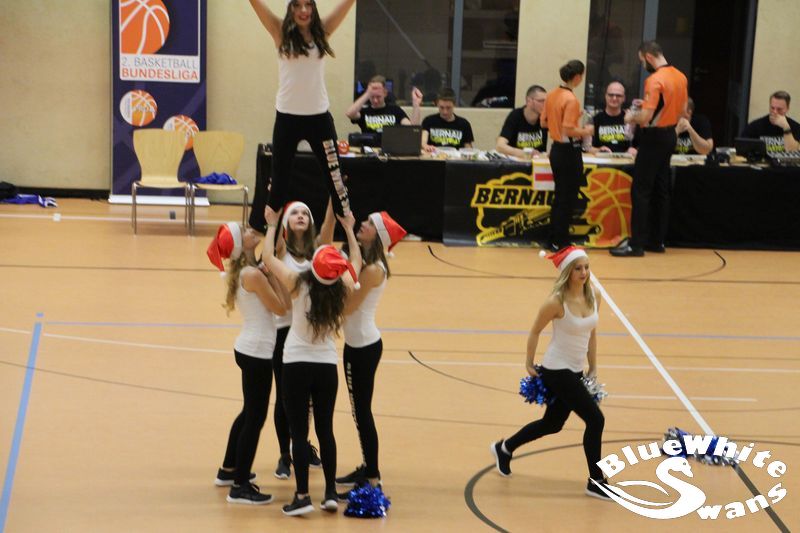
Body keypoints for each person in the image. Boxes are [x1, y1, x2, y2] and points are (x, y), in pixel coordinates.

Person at [261, 205, 362, 517]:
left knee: (299, 432)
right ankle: (330, 493)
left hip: (295, 364)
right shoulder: (341, 288)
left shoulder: (297, 282)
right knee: (326, 430)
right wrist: (349, 229)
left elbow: (267, 258)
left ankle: (302, 495)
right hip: (326, 365)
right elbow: (356, 263)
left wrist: (272, 225)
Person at [490, 246, 609, 501]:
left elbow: (591, 333)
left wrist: (593, 365)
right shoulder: (556, 301)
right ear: (567, 272)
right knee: (596, 420)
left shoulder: (594, 295)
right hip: (556, 369)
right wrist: (529, 362)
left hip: (575, 370)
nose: (584, 272)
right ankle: (596, 481)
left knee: (552, 424)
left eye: (586, 267)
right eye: (578, 268)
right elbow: (535, 330)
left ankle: (504, 448)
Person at [248, 0, 355, 217]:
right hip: (287, 119)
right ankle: (269, 234)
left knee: (335, 179)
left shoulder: (322, 31)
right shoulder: (279, 30)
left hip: (319, 119)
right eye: (297, 5)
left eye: (308, 5)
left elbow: (347, 3)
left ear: (313, 8)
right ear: (291, 8)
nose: (303, 10)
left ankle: (350, 234)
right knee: (278, 182)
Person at [208, 222, 288, 505]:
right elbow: (282, 308)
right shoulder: (253, 274)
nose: (252, 231)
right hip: (257, 353)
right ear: (241, 245)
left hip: (249, 348)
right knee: (255, 418)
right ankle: (240, 486)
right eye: (246, 231)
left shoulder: (249, 271)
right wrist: (274, 274)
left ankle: (228, 470)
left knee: (248, 413)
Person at [335, 212, 407, 491]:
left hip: (363, 348)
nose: (363, 225)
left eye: (368, 224)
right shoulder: (367, 263)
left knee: (362, 413)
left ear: (377, 235)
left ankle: (372, 475)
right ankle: (367, 466)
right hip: (355, 345)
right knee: (359, 412)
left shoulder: (374, 270)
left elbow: (348, 306)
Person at [271, 200, 335, 481]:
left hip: (312, 334)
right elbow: (271, 238)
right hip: (285, 331)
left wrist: (333, 196)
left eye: (305, 213)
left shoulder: (318, 250)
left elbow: (329, 226)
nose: (300, 216)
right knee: (285, 398)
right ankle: (284, 454)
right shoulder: (281, 251)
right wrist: (274, 207)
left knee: (308, 400)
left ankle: (302, 446)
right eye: (294, 213)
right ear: (286, 222)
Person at [610, 41, 687, 257]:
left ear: (649, 57)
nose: (643, 65)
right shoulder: (680, 76)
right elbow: (682, 110)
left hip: (653, 138)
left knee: (641, 190)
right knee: (661, 189)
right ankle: (657, 241)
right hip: (670, 135)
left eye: (642, 61)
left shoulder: (654, 80)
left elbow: (645, 117)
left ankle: (636, 245)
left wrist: (630, 116)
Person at [540, 60, 594, 252]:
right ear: (577, 77)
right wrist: (586, 131)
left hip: (556, 151)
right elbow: (568, 130)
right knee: (568, 199)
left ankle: (552, 239)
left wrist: (567, 120)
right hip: (569, 152)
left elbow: (544, 122)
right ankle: (562, 241)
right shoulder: (571, 100)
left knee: (560, 197)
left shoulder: (552, 94)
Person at [346, 75, 423, 143]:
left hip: (391, 149)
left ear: (385, 93)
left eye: (378, 97)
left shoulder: (395, 110)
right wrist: (367, 94)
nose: (375, 100)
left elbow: (412, 130)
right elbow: (349, 113)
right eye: (372, 97)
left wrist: (416, 105)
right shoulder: (365, 112)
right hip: (370, 150)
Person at [495, 85, 549, 159]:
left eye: (546, 101)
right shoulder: (515, 116)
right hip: (517, 161)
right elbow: (500, 146)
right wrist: (526, 153)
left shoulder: (546, 117)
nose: (545, 104)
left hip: (538, 162)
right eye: (541, 101)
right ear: (529, 101)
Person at [588, 81, 638, 155]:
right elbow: (586, 147)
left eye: (618, 95)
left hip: (625, 160)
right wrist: (598, 150)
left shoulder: (630, 120)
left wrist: (634, 150)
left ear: (624, 98)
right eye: (611, 95)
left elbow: (639, 146)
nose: (614, 98)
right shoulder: (594, 119)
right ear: (606, 96)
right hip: (602, 160)